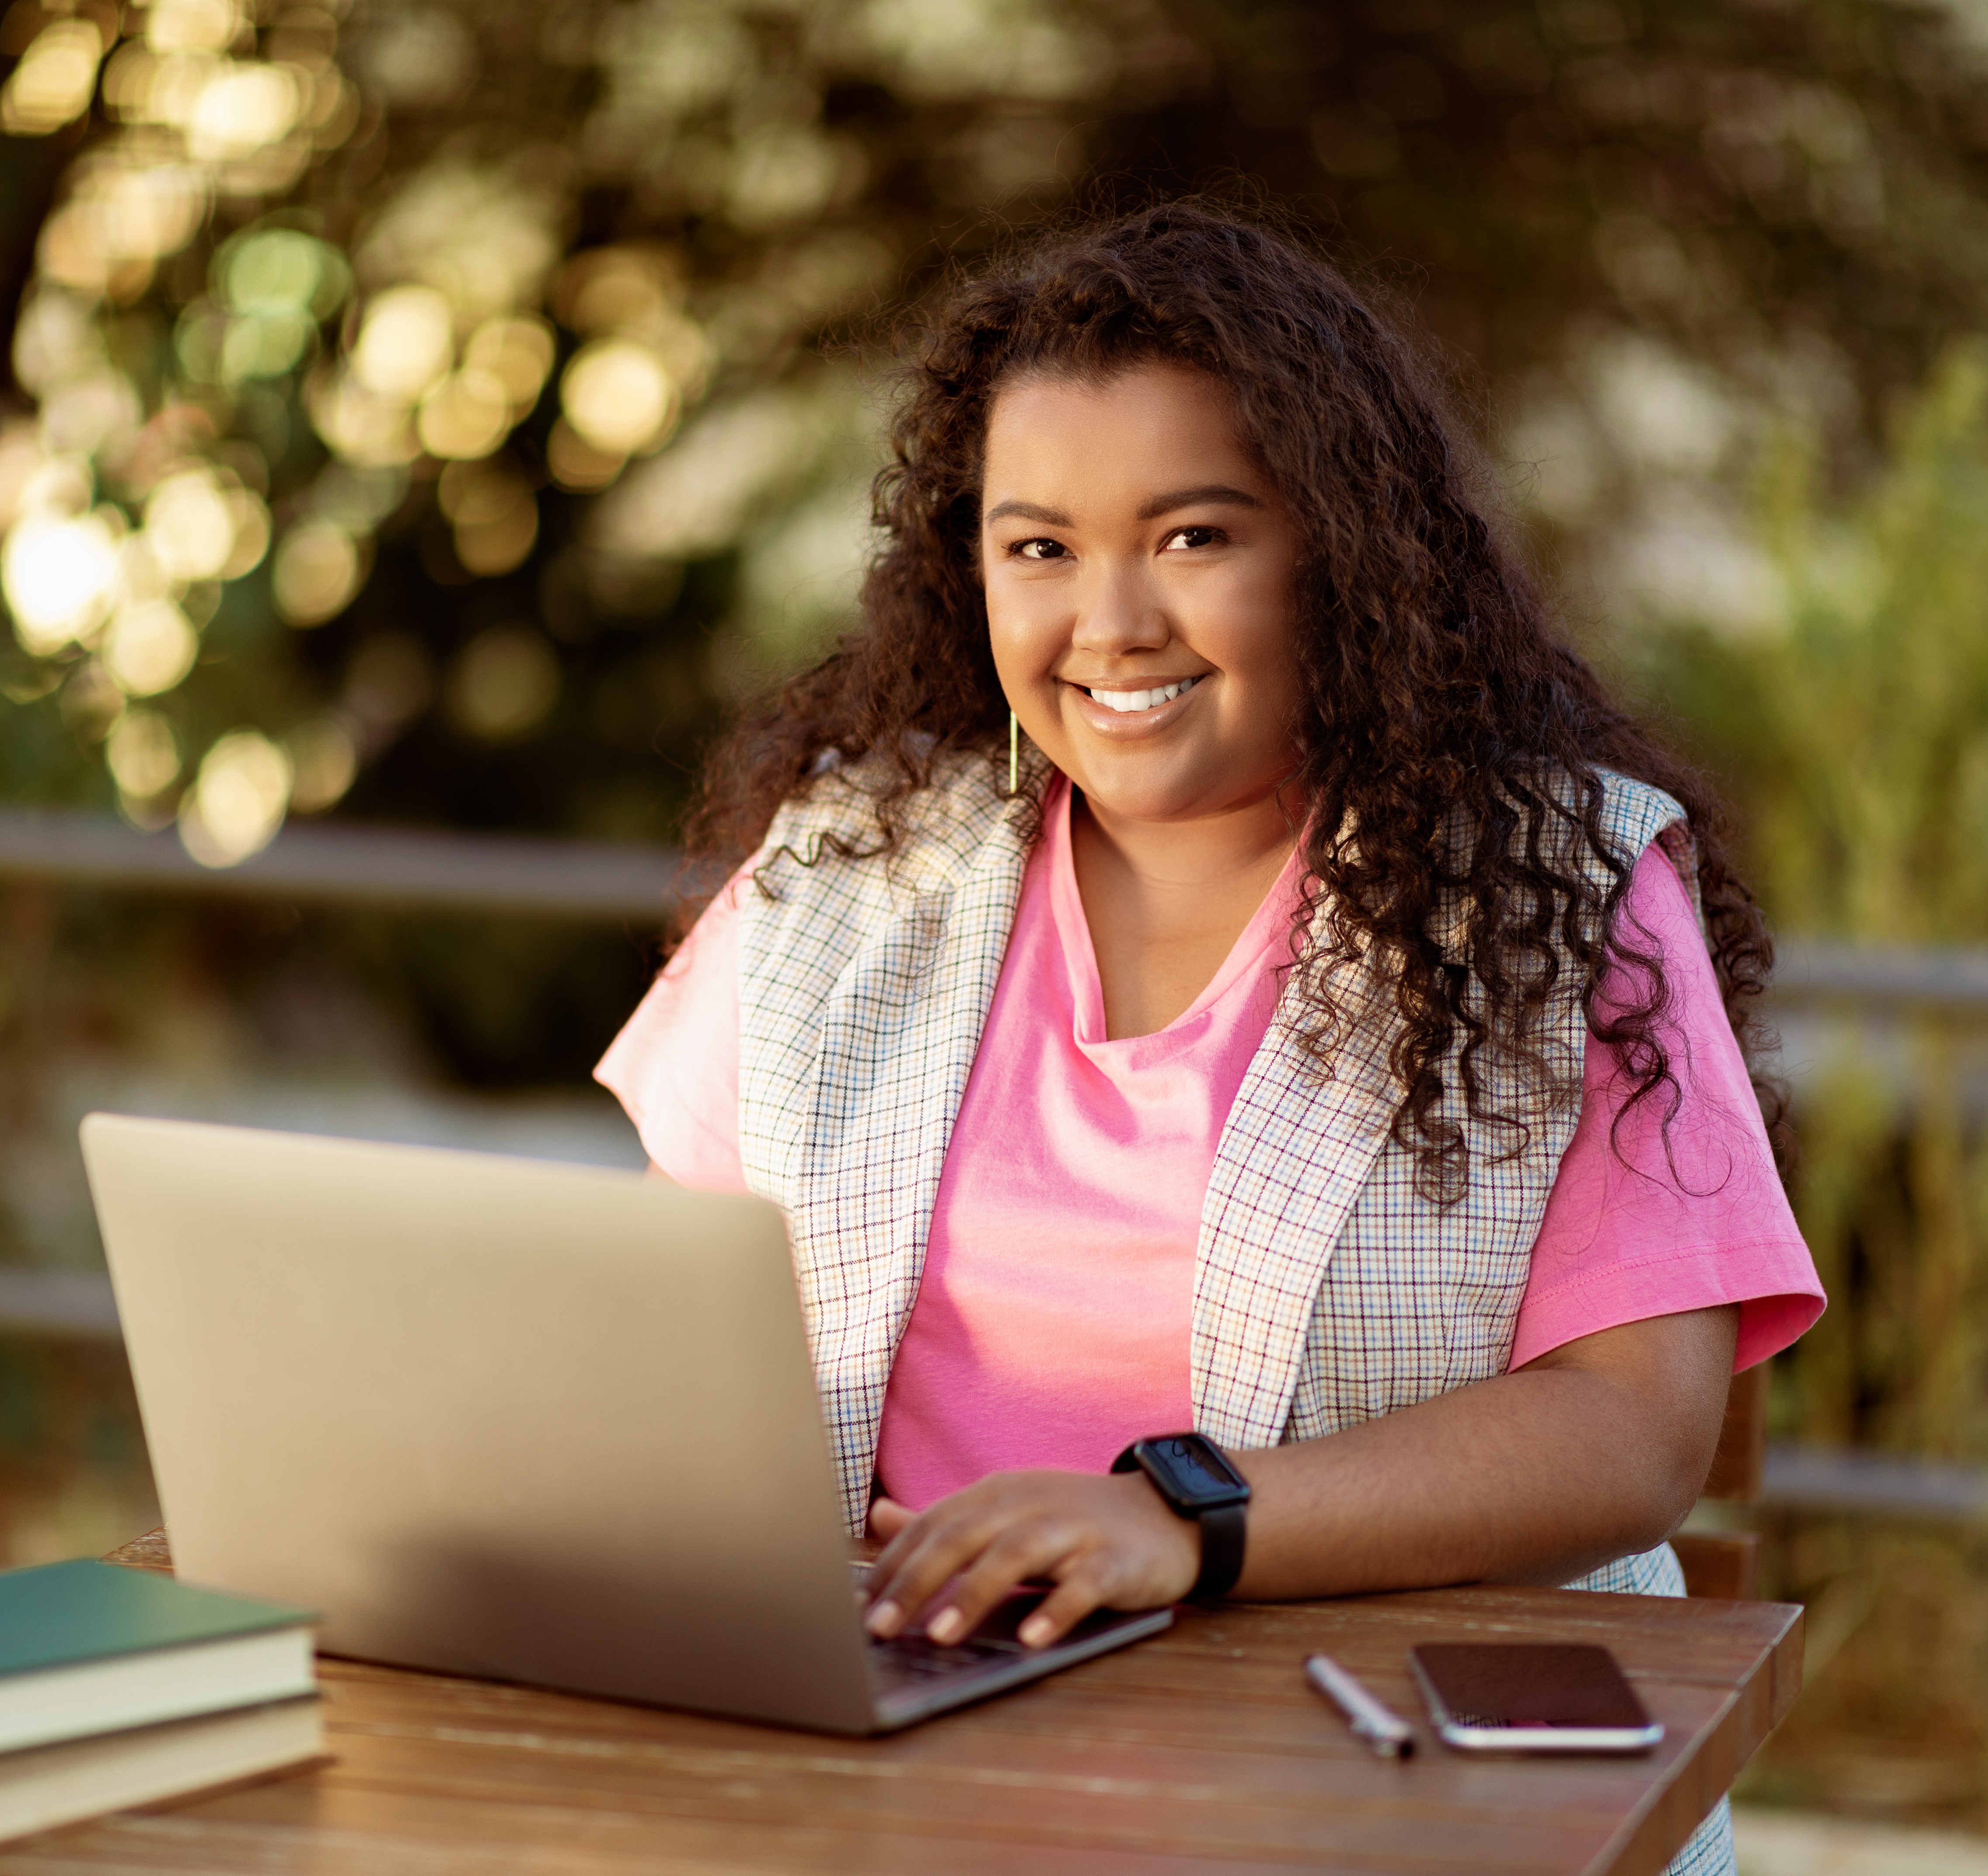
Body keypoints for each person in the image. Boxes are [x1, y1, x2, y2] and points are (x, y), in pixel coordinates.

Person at [597, 202, 1821, 1873]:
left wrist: (1180, 1517)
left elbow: (1632, 1432)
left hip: (1368, 1783)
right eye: (1037, 547)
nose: (1108, 624)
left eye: (1189, 537)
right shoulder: (848, 866)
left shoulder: (1554, 889)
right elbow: (686, 1319)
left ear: (1336, 545)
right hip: (892, 1771)